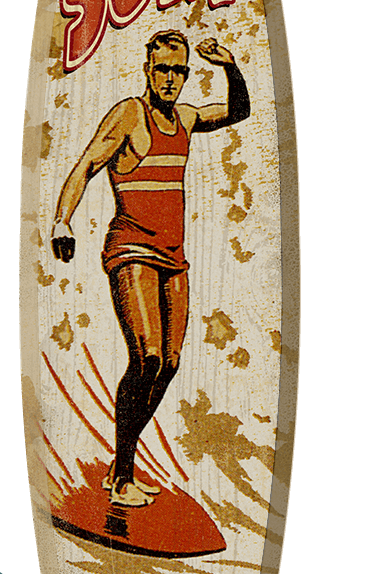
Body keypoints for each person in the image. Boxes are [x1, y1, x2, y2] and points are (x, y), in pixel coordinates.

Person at [52, 30, 250, 507]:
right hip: (131, 250)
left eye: (179, 71)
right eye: (162, 69)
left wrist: (229, 66)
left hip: (173, 257)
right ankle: (123, 476)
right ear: (147, 70)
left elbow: (237, 111)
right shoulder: (129, 115)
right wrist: (62, 220)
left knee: (171, 363)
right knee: (148, 357)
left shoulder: (185, 118)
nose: (170, 79)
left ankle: (121, 464)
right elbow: (86, 165)